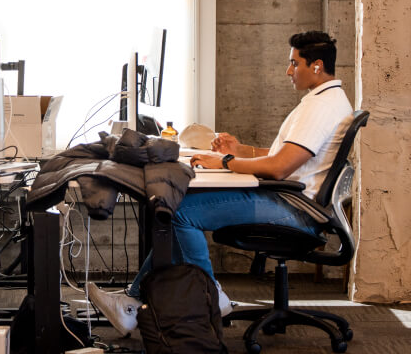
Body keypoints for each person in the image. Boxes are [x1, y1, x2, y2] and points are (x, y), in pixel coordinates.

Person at [87, 31, 354, 335]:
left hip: (292, 209)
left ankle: (210, 294)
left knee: (180, 212)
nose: (288, 71)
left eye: (294, 63)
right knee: (175, 209)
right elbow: (286, 154)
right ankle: (132, 303)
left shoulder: (320, 107)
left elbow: (279, 168)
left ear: (316, 66)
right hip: (290, 201)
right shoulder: (326, 99)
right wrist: (240, 151)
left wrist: (225, 162)